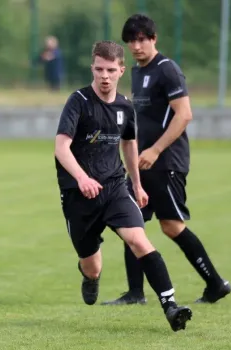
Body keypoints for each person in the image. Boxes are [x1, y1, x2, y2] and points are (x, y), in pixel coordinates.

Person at [54, 40, 192, 332]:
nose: (104, 75)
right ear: (92, 68)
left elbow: (129, 144)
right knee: (92, 267)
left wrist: (138, 185)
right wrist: (81, 178)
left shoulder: (125, 106)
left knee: (140, 241)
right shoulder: (78, 101)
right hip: (78, 196)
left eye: (111, 70)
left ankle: (170, 306)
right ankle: (90, 278)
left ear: (120, 71)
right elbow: (61, 147)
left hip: (115, 188)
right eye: (99, 69)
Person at [102, 14, 231, 306]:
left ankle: (215, 283)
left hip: (166, 162)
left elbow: (184, 114)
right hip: (144, 163)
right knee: (128, 219)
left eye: (141, 39)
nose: (136, 45)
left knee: (171, 226)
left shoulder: (167, 70)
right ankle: (135, 293)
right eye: (131, 40)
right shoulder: (136, 72)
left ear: (153, 39)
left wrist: (156, 150)